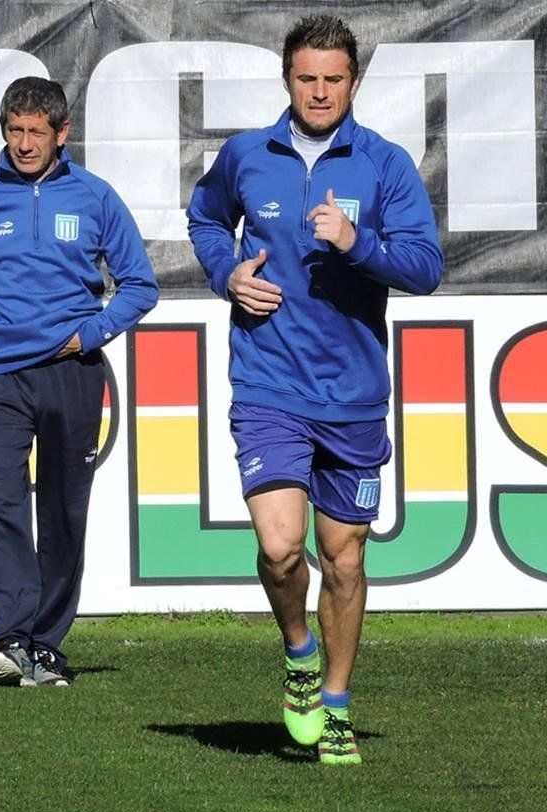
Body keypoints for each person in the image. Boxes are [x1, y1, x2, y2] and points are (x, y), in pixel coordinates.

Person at [187, 16, 443, 763]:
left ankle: (335, 702)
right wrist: (226, 274)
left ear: (354, 82)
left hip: (354, 394)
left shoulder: (385, 164)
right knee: (278, 548)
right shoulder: (246, 154)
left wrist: (357, 243)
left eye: (334, 79)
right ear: (287, 80)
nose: (321, 91)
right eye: (307, 78)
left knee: (346, 560)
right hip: (267, 381)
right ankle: (298, 648)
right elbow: (206, 219)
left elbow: (426, 267)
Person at [0, 76, 158, 687]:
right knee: (0, 505)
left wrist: (89, 335)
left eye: (36, 132)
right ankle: (9, 639)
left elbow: (140, 285)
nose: (23, 143)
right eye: (14, 131)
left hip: (72, 376)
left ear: (62, 133)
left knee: (64, 512)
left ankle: (45, 645)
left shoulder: (95, 196)